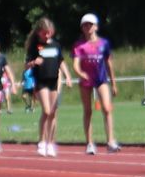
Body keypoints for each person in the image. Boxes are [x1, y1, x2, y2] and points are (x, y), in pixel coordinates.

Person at [72, 13, 120, 154]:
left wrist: (114, 83)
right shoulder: (79, 45)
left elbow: (109, 63)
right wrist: (81, 74)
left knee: (107, 108)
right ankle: (90, 143)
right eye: (85, 25)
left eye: (90, 24)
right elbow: (75, 64)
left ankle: (110, 141)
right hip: (86, 81)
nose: (88, 27)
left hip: (101, 79)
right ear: (82, 28)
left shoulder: (103, 43)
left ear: (96, 27)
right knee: (88, 111)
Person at [23, 18, 70, 157]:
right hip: (41, 82)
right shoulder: (35, 46)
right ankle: (42, 141)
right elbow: (26, 66)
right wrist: (33, 62)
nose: (47, 35)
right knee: (47, 110)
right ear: (39, 32)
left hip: (53, 81)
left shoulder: (56, 45)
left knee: (53, 113)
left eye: (49, 33)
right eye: (44, 33)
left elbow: (61, 61)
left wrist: (68, 76)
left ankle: (50, 143)